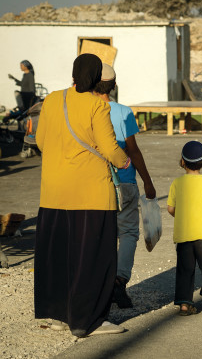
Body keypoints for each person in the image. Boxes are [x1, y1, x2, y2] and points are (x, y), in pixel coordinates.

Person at [34, 53, 130, 337]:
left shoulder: (52, 99)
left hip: (53, 194)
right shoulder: (97, 106)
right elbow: (111, 149)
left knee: (58, 256)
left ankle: (57, 314)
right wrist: (124, 161)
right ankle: (87, 321)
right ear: (97, 76)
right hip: (90, 195)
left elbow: (40, 141)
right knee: (92, 258)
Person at [93, 64, 157, 309]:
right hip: (126, 182)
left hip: (98, 183)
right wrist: (147, 182)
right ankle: (119, 281)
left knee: (102, 234)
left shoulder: (87, 110)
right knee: (128, 233)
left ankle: (99, 284)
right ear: (114, 86)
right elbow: (133, 150)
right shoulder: (123, 112)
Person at [167, 141, 202, 315]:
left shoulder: (177, 183)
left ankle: (184, 303)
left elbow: (170, 209)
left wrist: (183, 216)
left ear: (182, 161)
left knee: (185, 269)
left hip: (183, 234)